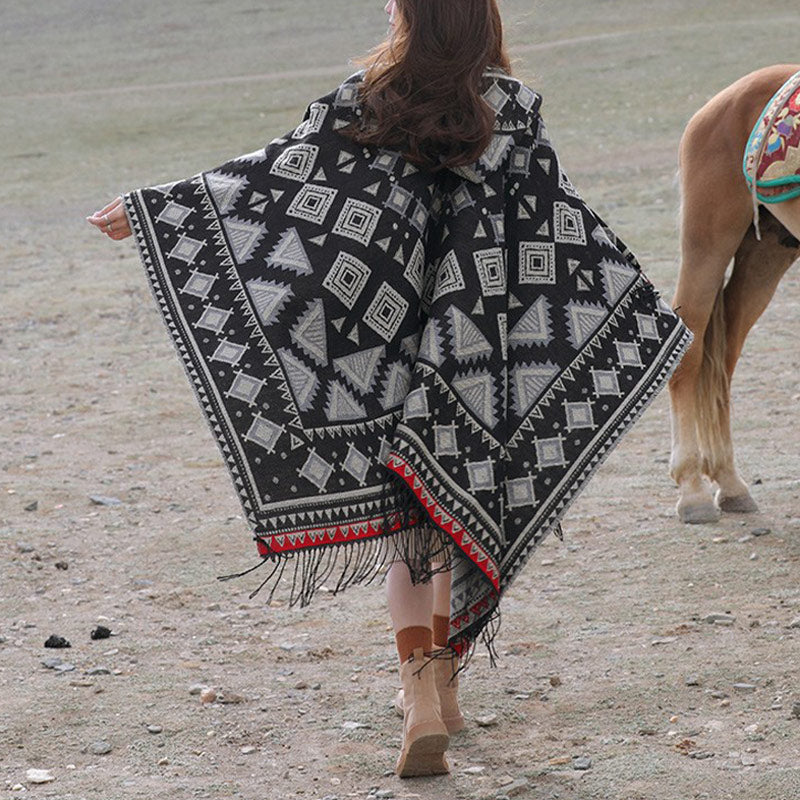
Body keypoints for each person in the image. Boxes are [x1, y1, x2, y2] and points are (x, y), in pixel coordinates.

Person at [88, 0, 691, 779]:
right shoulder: (506, 114)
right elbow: (560, 226)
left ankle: (419, 701)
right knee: (445, 509)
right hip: (474, 357)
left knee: (409, 526)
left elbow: (273, 180)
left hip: (379, 348)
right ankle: (438, 685)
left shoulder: (370, 104)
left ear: (410, 17)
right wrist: (637, 313)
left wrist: (155, 209)